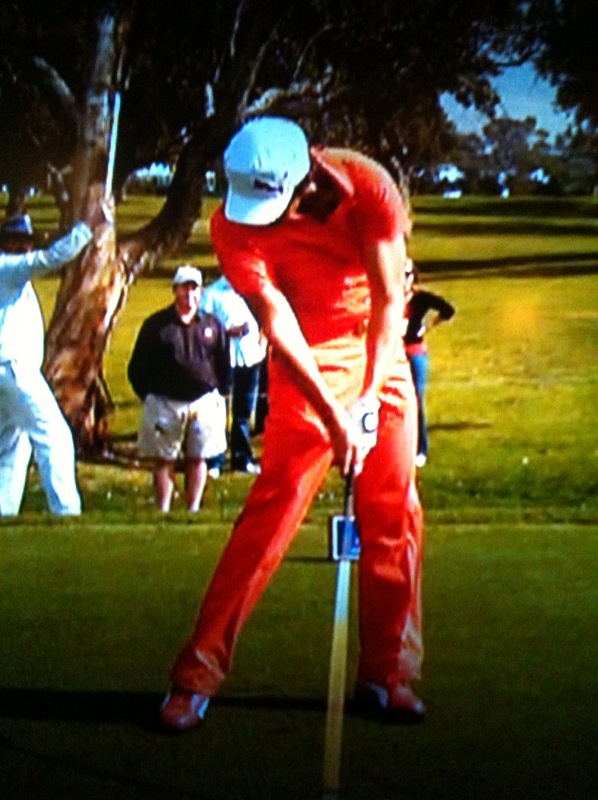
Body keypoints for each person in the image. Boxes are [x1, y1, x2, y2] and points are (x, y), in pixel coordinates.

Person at [160, 116, 424, 730]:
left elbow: (390, 302)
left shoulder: (369, 188)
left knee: (395, 514)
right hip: (307, 354)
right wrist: (336, 416)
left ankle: (388, 676)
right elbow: (276, 321)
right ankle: (194, 677)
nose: (263, 216)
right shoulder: (231, 224)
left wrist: (365, 402)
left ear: (306, 171)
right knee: (272, 513)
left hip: (377, 345)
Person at [0, 209, 103, 516]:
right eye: (17, 241)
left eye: (27, 241)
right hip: (12, 367)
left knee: (13, 443)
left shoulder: (17, 280)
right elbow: (48, 259)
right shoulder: (7, 268)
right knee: (54, 435)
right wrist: (86, 229)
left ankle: (4, 512)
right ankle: (67, 511)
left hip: (13, 369)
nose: (25, 248)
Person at [127, 265, 230, 512]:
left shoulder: (212, 325)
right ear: (175, 290)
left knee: (198, 457)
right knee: (164, 459)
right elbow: (137, 367)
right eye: (184, 288)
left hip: (203, 402)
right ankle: (163, 509)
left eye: (194, 289)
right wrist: (149, 395)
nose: (189, 295)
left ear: (201, 292)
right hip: (166, 402)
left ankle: (193, 508)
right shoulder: (157, 326)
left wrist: (221, 391)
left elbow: (223, 361)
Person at [200, 274, 266, 475]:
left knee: (244, 410)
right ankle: (215, 460)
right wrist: (228, 332)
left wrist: (261, 344)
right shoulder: (212, 294)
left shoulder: (253, 289)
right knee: (220, 410)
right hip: (225, 358)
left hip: (251, 357)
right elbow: (203, 328)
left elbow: (267, 316)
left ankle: (242, 458)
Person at [403, 259, 455, 467]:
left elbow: (448, 310)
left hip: (415, 353)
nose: (403, 279)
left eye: (407, 275)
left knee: (417, 399)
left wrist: (429, 326)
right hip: (395, 355)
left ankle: (420, 448)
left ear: (413, 278)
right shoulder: (390, 296)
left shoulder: (421, 299)